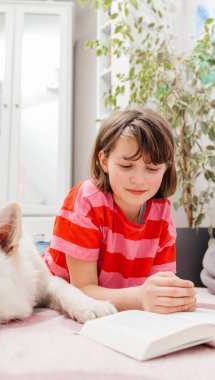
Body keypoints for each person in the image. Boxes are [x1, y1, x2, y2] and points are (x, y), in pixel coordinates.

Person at [44, 108, 196, 314]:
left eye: (152, 169)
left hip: (114, 292)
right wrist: (139, 298)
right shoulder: (87, 200)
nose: (139, 180)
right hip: (58, 287)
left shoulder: (161, 211)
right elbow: (81, 290)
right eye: (126, 166)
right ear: (104, 161)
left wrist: (172, 296)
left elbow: (159, 284)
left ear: (166, 168)